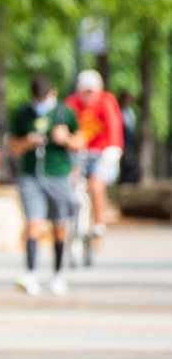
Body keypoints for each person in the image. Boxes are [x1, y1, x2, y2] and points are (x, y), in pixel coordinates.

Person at [9, 77, 85, 296]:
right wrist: (27, 143)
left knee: (59, 226)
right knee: (33, 224)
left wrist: (66, 139)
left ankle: (58, 274)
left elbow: (81, 141)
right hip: (31, 176)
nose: (41, 102)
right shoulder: (23, 114)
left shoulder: (65, 113)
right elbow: (12, 147)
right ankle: (31, 272)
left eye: (44, 97)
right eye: (37, 98)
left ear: (53, 92)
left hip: (59, 175)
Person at [63, 70, 123, 236]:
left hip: (102, 153)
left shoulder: (106, 102)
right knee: (69, 183)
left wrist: (113, 149)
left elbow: (114, 128)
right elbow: (64, 127)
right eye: (85, 90)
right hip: (79, 153)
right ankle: (67, 221)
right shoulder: (71, 104)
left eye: (92, 91)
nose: (89, 95)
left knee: (96, 185)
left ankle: (98, 224)